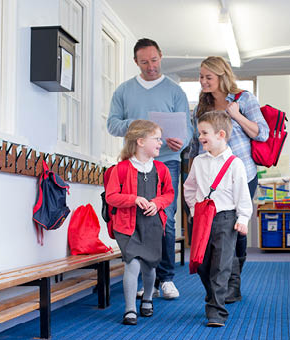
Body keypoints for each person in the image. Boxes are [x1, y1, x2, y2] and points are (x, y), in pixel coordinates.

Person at [107, 38, 193, 299]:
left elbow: (187, 130)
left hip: (167, 161)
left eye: (154, 60)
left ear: (161, 56)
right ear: (136, 62)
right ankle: (148, 278)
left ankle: (165, 279)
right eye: (144, 62)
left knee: (164, 221)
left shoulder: (175, 91)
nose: (151, 66)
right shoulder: (123, 91)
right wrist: (138, 126)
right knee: (138, 221)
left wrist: (182, 141)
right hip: (134, 163)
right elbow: (112, 125)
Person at [189, 56, 269, 303]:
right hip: (210, 179)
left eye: (208, 77)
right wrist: (192, 170)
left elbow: (262, 134)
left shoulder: (243, 99)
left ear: (222, 77)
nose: (203, 81)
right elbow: (196, 142)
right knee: (213, 234)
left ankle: (232, 281)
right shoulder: (201, 107)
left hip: (241, 170)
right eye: (201, 77)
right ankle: (220, 283)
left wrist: (236, 116)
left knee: (237, 230)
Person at [183, 111, 252, 327]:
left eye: (204, 133)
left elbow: (242, 193)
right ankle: (214, 293)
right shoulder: (198, 161)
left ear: (220, 134)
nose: (200, 137)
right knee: (202, 263)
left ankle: (216, 311)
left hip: (226, 218)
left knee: (221, 265)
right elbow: (189, 188)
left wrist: (243, 218)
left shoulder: (234, 163)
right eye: (199, 132)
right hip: (202, 218)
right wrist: (194, 211)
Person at [105, 120, 175, 325]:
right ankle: (129, 310)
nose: (161, 143)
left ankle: (147, 298)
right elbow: (111, 196)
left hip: (152, 225)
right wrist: (133, 199)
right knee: (132, 263)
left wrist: (158, 203)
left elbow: (169, 194)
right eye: (157, 139)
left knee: (150, 266)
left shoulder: (161, 169)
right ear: (141, 141)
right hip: (127, 226)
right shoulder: (121, 169)